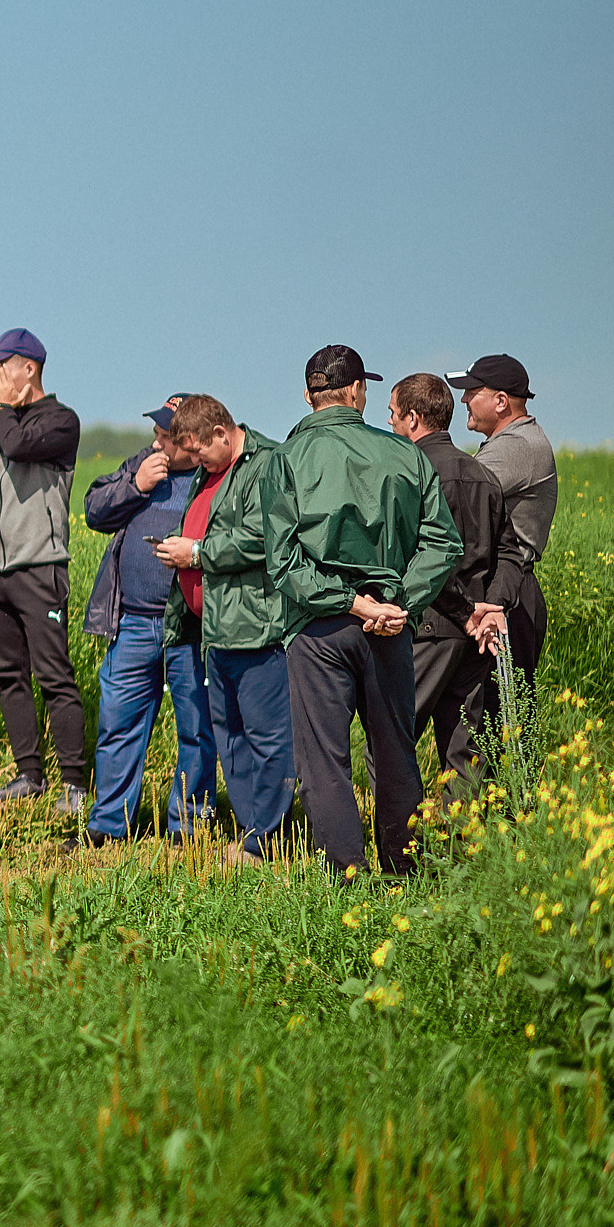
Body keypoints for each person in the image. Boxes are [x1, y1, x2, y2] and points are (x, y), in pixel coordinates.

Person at [262, 347, 462, 878]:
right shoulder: (404, 454)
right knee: (395, 751)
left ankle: (346, 876)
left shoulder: (283, 461)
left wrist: (348, 601)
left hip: (317, 629)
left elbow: (282, 564)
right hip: (389, 627)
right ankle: (405, 870)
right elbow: (443, 542)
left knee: (324, 761)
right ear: (357, 393)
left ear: (309, 395)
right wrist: (398, 603)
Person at [152, 398, 293, 861]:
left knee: (268, 739)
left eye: (196, 452)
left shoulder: (267, 464)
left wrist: (195, 554)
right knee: (230, 738)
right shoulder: (211, 472)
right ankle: (254, 833)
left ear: (219, 432)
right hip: (216, 631)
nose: (192, 462)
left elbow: (263, 538)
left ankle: (268, 840)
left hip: (256, 629)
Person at [80, 397, 213, 844]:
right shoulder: (141, 465)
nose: (156, 441)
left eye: (166, 436)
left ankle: (188, 830)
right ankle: (108, 827)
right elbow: (94, 509)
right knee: (117, 726)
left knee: (196, 727)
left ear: (190, 442)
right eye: (156, 433)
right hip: (133, 624)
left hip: (188, 628)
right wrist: (134, 486)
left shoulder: (211, 477)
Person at [0, 328, 88, 812]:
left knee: (54, 675)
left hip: (39, 569)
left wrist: (1, 411)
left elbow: (17, 446)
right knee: (8, 674)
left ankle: (75, 785)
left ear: (30, 368)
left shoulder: (60, 421)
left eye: (2, 366)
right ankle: (28, 775)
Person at [386, 373, 517, 792]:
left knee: (389, 741)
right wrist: (491, 606)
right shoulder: (482, 474)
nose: (389, 424)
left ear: (412, 418)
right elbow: (511, 552)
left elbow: (420, 560)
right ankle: (463, 851)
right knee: (465, 751)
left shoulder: (409, 474)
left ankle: (400, 849)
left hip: (429, 628)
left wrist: (463, 613)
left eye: (391, 415)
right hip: (476, 635)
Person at [450, 354, 556, 701]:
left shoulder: (516, 447)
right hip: (506, 588)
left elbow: (457, 492)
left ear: (500, 401)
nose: (464, 399)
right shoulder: (512, 442)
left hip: (508, 592)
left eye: (472, 391)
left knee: (503, 717)